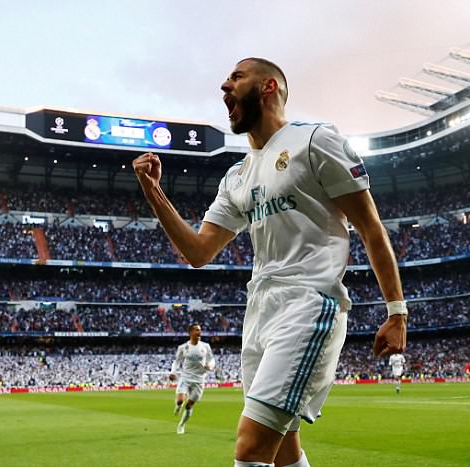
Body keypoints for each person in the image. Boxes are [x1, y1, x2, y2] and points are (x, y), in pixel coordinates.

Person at [133, 57, 407, 467]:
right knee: (283, 451)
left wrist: (396, 312)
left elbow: (370, 227)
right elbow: (198, 252)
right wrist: (153, 191)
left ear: (268, 87)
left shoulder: (315, 141)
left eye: (236, 77)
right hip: (259, 313)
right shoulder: (237, 176)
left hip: (309, 303)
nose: (224, 85)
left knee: (250, 447)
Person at [169, 323, 215, 434]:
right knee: (180, 400)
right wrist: (173, 372)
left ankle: (181, 425)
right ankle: (178, 405)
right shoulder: (183, 347)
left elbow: (212, 360)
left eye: (200, 330)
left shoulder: (205, 346)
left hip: (199, 380)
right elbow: (177, 361)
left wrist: (210, 366)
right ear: (190, 332)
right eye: (197, 330)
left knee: (189, 405)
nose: (199, 332)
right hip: (185, 378)